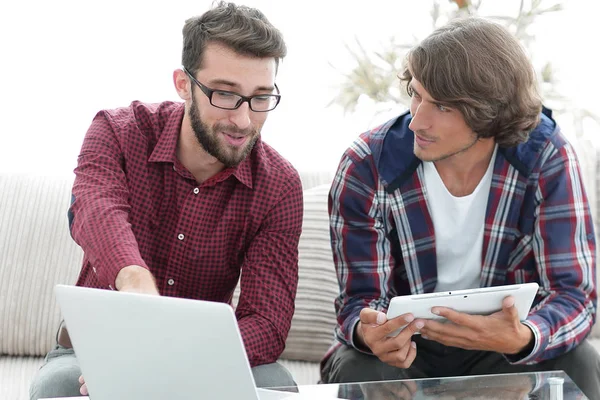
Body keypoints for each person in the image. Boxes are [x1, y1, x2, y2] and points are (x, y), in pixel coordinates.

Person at [30, 2, 303, 399]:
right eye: (225, 94)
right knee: (58, 388)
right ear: (183, 83)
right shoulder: (118, 132)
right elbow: (95, 209)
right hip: (95, 352)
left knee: (277, 385)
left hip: (204, 356)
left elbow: (267, 320)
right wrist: (134, 279)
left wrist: (174, 362)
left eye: (260, 97)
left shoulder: (278, 185)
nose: (244, 120)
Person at [320, 16, 600, 399]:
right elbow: (359, 299)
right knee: (357, 365)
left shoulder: (546, 157)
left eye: (442, 106)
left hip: (501, 345)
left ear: (490, 112)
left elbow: (574, 295)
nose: (417, 120)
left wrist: (524, 336)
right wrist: (369, 331)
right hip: (409, 347)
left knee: (581, 361)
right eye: (416, 95)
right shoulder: (367, 164)